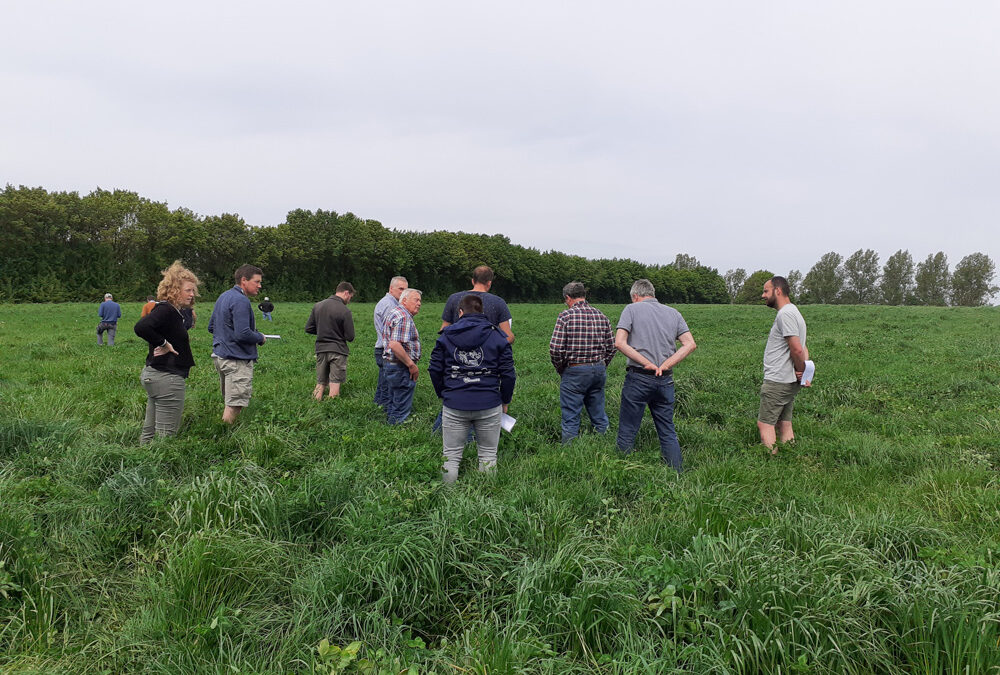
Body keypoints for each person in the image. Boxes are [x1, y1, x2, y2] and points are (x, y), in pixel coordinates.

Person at [430, 294, 515, 482]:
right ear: (482, 312)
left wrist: (443, 393)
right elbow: (508, 373)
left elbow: (434, 368)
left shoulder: (446, 335)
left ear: (460, 312)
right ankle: (486, 498)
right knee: (488, 455)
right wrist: (505, 400)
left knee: (450, 455)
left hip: (454, 403)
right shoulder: (497, 335)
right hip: (489, 403)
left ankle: (448, 498)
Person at [614, 279, 697, 472]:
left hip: (639, 377)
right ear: (652, 293)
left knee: (628, 429)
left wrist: (646, 363)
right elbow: (690, 344)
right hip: (665, 379)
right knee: (667, 430)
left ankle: (620, 475)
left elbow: (619, 342)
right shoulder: (673, 313)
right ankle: (677, 473)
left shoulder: (631, 310)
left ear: (635, 296)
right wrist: (666, 364)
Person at [434, 265, 514, 433]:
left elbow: (443, 329)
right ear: (490, 283)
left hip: (456, 363)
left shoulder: (454, 299)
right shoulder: (498, 302)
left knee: (455, 398)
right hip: (486, 365)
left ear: (472, 280)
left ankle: (441, 433)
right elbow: (508, 336)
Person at [133, 262, 201, 443]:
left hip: (155, 375)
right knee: (166, 437)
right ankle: (159, 469)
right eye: (188, 290)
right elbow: (141, 326)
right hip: (167, 379)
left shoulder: (173, 311)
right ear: (174, 290)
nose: (192, 294)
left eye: (193, 290)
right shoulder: (166, 310)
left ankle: (140, 464)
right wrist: (163, 342)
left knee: (149, 432)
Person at [549, 281, 616, 443]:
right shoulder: (601, 315)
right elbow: (612, 347)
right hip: (598, 370)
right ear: (584, 296)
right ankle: (605, 446)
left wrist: (561, 368)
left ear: (568, 298)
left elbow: (555, 349)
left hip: (575, 370)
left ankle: (570, 453)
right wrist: (602, 364)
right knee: (598, 413)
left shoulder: (565, 316)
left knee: (571, 416)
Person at [208, 264, 267, 424]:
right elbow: (243, 334)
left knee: (231, 401)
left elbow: (211, 327)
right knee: (234, 405)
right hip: (236, 359)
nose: (260, 286)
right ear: (244, 280)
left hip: (221, 356)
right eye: (257, 281)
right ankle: (225, 438)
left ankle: (224, 432)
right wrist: (259, 337)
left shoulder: (223, 296)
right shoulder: (241, 300)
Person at [758, 275, 810, 455]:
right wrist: (805, 374)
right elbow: (803, 346)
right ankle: (790, 459)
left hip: (778, 380)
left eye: (766, 291)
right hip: (788, 381)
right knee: (784, 422)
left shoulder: (785, 314)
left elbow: (796, 349)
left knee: (765, 424)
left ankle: (771, 466)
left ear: (777, 291)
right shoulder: (794, 311)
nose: (763, 295)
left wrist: (802, 370)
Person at [305, 281, 356, 401]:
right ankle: (331, 411)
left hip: (321, 349)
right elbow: (350, 336)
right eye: (350, 297)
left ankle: (313, 407)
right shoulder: (345, 311)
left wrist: (323, 331)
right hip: (338, 350)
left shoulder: (318, 305)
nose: (349, 300)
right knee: (335, 383)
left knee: (320, 382)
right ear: (346, 293)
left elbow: (309, 328)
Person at [382, 288, 423, 424]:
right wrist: (411, 364)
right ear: (404, 300)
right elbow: (394, 344)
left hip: (391, 365)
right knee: (400, 405)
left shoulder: (395, 312)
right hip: (401, 367)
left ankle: (389, 426)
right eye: (416, 300)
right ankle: (396, 432)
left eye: (420, 301)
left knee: (393, 400)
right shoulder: (404, 317)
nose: (419, 304)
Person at [373, 276, 408, 408]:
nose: (403, 292)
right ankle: (385, 411)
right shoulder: (390, 305)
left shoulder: (390, 302)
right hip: (386, 348)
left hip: (384, 347)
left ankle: (379, 407)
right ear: (391, 288)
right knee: (388, 384)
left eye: (405, 289)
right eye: (400, 289)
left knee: (384, 382)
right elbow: (391, 333)